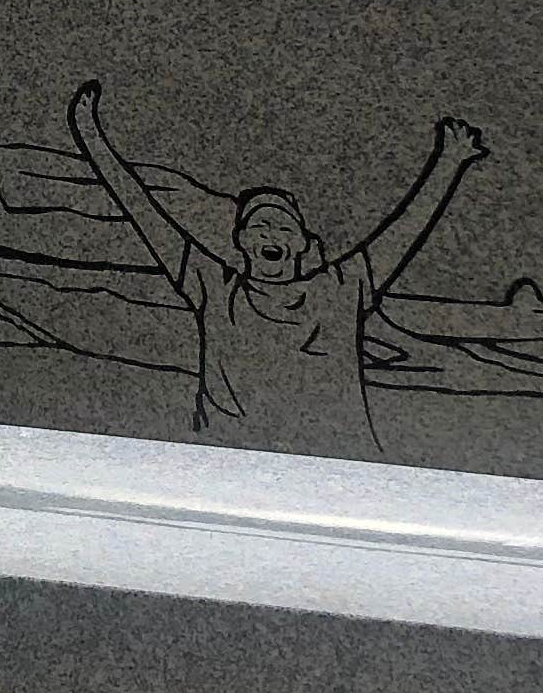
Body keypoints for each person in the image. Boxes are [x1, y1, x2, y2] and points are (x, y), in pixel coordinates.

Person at [64, 79, 485, 458]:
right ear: (241, 242)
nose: (270, 233)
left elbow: (402, 234)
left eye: (282, 226)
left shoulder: (340, 290)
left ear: (301, 243)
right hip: (221, 459)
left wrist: (450, 161)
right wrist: (91, 138)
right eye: (258, 225)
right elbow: (144, 213)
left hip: (338, 463)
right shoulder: (214, 286)